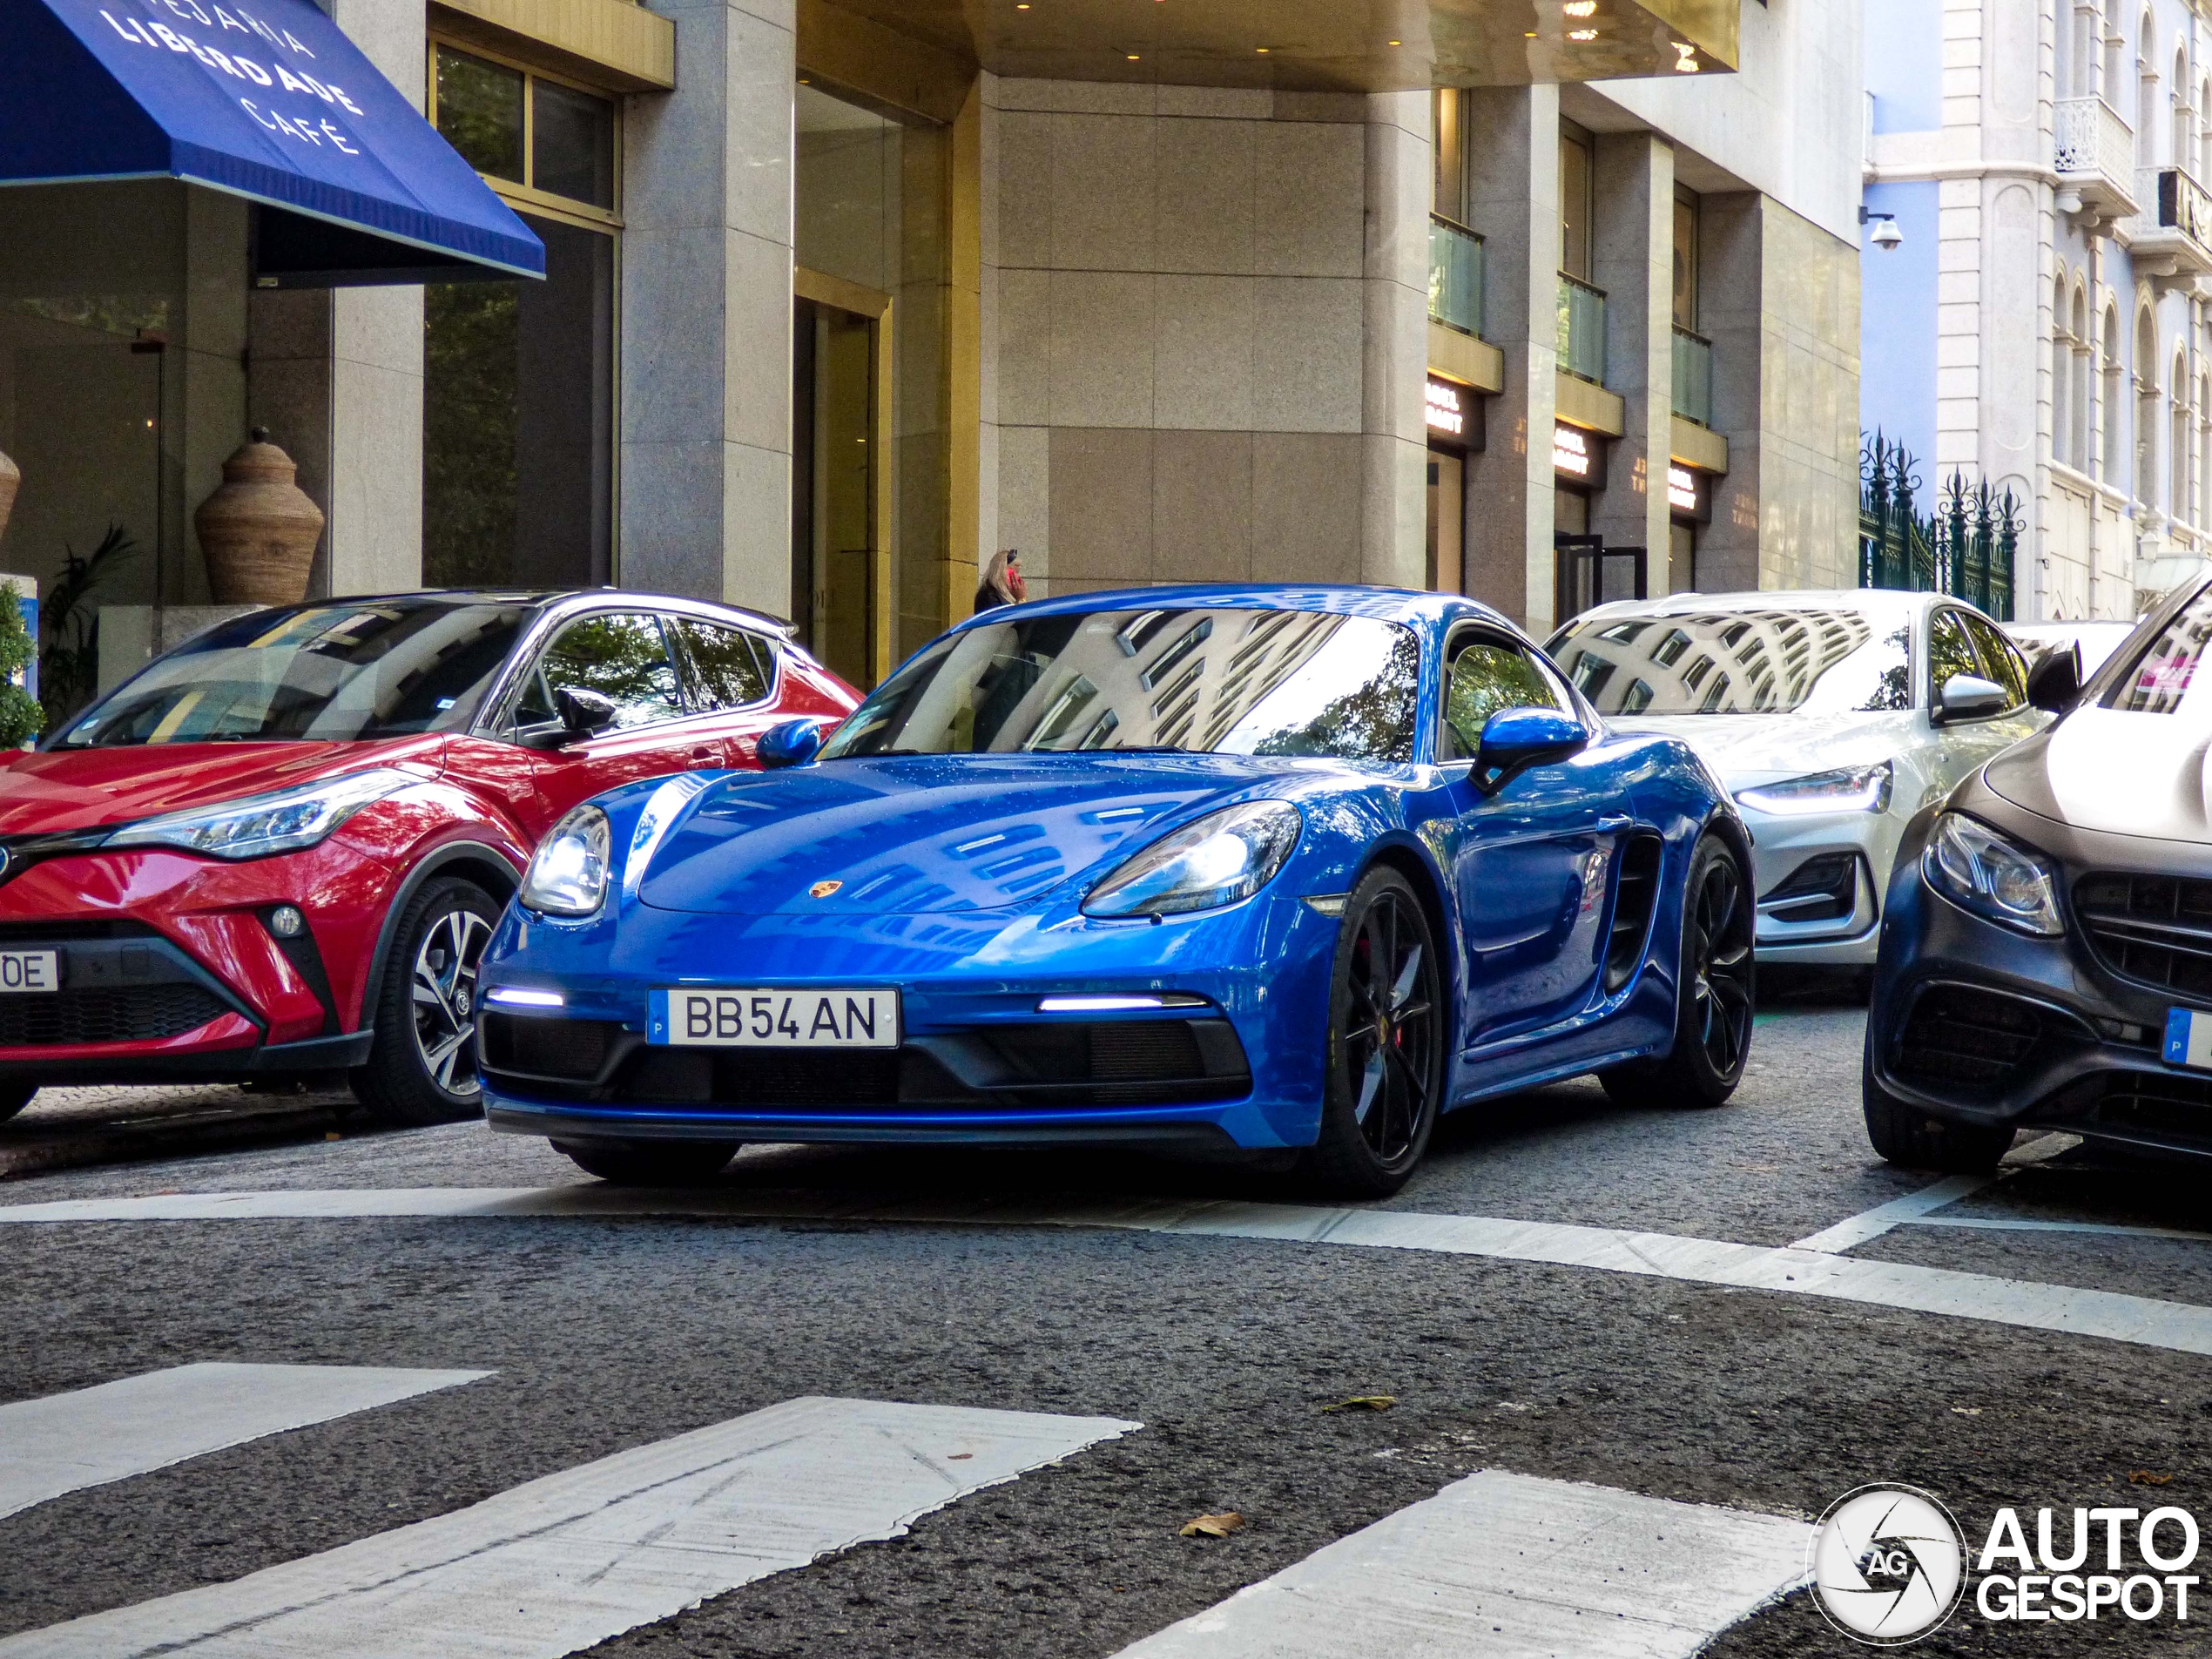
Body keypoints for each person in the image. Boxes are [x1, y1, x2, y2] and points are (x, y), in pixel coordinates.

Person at [974, 549, 1028, 613]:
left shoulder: (1003, 595)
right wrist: (1021, 599)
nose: (1018, 577)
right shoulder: (990, 595)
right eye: (1016, 572)